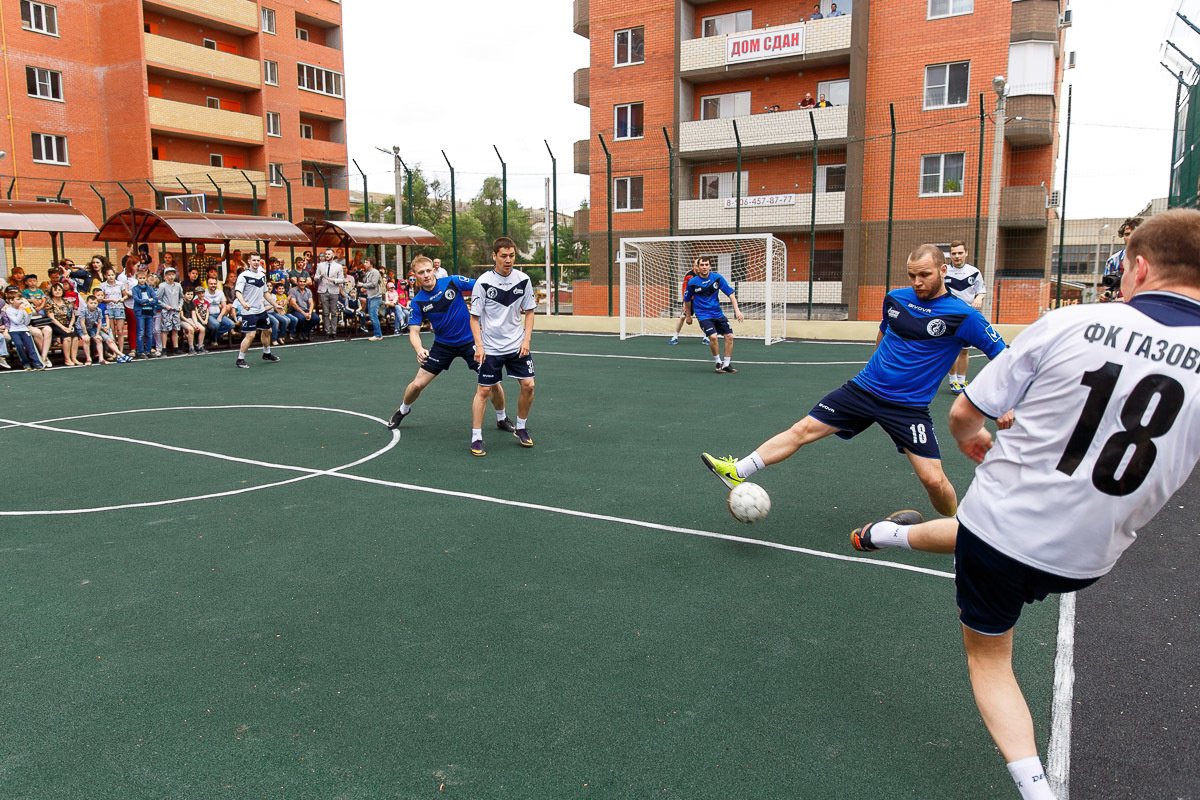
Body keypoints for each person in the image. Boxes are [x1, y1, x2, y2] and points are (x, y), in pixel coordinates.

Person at [849, 209, 1200, 800]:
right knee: (970, 531)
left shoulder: (1072, 322)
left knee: (991, 658)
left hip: (1002, 531)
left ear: (1138, 267)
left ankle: (1040, 793)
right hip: (1089, 559)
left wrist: (972, 441)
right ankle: (882, 536)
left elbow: (965, 414)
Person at [701, 244, 1007, 516]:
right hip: (863, 390)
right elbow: (884, 332)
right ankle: (738, 470)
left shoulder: (964, 316)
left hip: (908, 408)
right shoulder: (896, 299)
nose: (917, 282)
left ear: (943, 270)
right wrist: (876, 364)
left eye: (924, 275)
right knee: (802, 429)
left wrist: (1005, 403)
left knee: (933, 481)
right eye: (912, 275)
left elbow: (1005, 359)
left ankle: (959, 524)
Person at [387, 255, 514, 436]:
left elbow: (481, 285)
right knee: (416, 385)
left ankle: (501, 418)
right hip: (442, 346)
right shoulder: (418, 302)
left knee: (493, 382)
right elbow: (414, 331)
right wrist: (419, 349)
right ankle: (403, 409)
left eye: (429, 271)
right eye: (421, 272)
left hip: (471, 342)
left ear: (434, 270)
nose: (426, 275)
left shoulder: (453, 282)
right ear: (414, 276)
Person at [467, 237, 537, 456]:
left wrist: (526, 340)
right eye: (504, 256)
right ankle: (476, 437)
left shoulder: (523, 280)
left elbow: (530, 312)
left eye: (512, 255)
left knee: (529, 385)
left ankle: (521, 427)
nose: (508, 260)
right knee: (484, 390)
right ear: (494, 256)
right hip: (491, 347)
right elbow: (474, 319)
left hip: (516, 344)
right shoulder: (483, 282)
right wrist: (479, 346)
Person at [684, 256, 745, 373]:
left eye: (706, 265)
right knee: (713, 336)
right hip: (703, 315)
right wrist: (688, 316)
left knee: (729, 336)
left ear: (710, 266)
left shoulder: (717, 278)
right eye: (702, 265)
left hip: (717, 313)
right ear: (698, 267)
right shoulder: (692, 282)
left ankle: (726, 365)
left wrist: (737, 311)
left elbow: (731, 294)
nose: (704, 267)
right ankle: (718, 362)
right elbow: (686, 299)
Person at [943, 240, 987, 394]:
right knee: (952, 349)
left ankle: (962, 381)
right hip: (949, 316)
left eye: (960, 253)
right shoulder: (944, 271)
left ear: (966, 253)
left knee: (964, 350)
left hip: (968, 317)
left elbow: (981, 290)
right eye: (953, 253)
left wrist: (978, 299)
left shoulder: (974, 271)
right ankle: (953, 380)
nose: (956, 256)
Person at [233, 252, 280, 369]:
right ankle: (240, 359)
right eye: (253, 260)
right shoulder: (243, 276)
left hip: (260, 310)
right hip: (249, 311)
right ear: (249, 261)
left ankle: (267, 353)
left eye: (258, 260)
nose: (256, 262)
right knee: (251, 335)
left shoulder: (262, 275)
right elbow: (238, 292)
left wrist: (275, 305)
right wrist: (243, 303)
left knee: (267, 330)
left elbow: (265, 293)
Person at [667, 258, 708, 345]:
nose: (697, 267)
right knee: (682, 317)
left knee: (703, 318)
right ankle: (675, 337)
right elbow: (684, 289)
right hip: (689, 301)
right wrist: (684, 303)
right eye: (696, 265)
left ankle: (706, 337)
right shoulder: (689, 275)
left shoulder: (705, 275)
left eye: (698, 265)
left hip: (700, 301)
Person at [1101, 217, 1143, 302]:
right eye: (1127, 234)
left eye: (1134, 233)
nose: (1130, 237)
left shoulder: (1153, 259)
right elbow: (1110, 289)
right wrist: (1106, 297)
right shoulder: (1113, 260)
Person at [2, 286, 45, 370]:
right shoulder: (9, 310)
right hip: (14, 330)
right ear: (11, 301)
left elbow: (26, 322)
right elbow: (17, 321)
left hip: (24, 329)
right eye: (18, 299)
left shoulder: (23, 308)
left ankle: (37, 363)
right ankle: (25, 363)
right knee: (19, 345)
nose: (21, 301)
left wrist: (28, 314)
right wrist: (21, 311)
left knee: (30, 346)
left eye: (21, 299)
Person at [314, 249, 345, 336]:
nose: (327, 255)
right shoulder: (320, 265)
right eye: (326, 254)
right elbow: (315, 278)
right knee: (325, 312)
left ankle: (334, 331)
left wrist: (334, 280)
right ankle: (327, 331)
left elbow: (342, 280)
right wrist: (320, 276)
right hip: (323, 290)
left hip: (334, 290)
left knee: (334, 312)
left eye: (329, 254)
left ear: (333, 255)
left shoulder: (338, 266)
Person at [130, 268, 159, 359]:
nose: (142, 280)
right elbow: (137, 300)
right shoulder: (135, 289)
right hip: (140, 313)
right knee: (140, 332)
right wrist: (147, 300)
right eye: (140, 278)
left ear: (146, 279)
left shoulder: (149, 288)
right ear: (137, 279)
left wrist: (146, 302)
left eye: (143, 278)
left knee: (149, 333)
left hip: (149, 312)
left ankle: (148, 350)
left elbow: (155, 300)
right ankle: (140, 351)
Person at [157, 266, 184, 355]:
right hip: (167, 311)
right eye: (169, 275)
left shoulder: (178, 286)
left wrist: (180, 305)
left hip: (176, 311)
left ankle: (175, 347)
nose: (171, 276)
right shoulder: (162, 286)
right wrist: (165, 306)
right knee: (165, 330)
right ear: (165, 276)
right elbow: (157, 299)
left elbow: (181, 297)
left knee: (175, 330)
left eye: (173, 274)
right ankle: (163, 348)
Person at [202, 277, 235, 347]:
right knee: (216, 324)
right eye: (211, 284)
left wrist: (220, 316)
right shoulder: (203, 293)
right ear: (207, 284)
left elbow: (224, 306)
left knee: (231, 324)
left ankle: (210, 337)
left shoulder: (220, 292)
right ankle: (214, 340)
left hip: (219, 314)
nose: (213, 285)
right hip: (209, 315)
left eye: (214, 284)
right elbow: (196, 302)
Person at [361, 257, 385, 340]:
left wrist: (363, 285)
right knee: (372, 315)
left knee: (373, 315)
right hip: (370, 296)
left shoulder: (375, 272)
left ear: (371, 264)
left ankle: (378, 335)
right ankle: (377, 334)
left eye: (366, 262)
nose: (365, 264)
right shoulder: (368, 272)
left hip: (375, 296)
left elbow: (374, 284)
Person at [287, 274, 316, 341]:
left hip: (307, 310)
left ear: (306, 283)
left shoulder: (308, 291)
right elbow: (293, 304)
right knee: (301, 318)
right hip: (296, 310)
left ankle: (305, 332)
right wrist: (303, 313)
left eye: (304, 282)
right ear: (297, 282)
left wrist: (310, 313)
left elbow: (311, 303)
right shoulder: (293, 290)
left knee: (316, 318)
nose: (302, 283)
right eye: (300, 281)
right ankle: (299, 332)